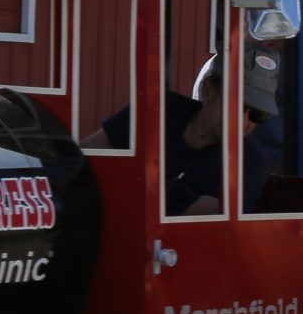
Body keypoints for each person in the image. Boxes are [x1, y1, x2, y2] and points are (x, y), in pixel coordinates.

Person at [88, 50, 278, 216]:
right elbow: (86, 155)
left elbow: (184, 233)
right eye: (237, 106)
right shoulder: (160, 110)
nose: (245, 122)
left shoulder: (249, 162)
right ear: (207, 90)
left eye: (257, 115)